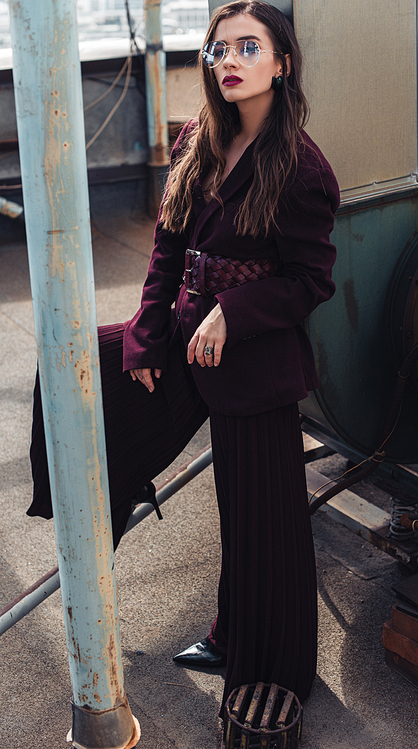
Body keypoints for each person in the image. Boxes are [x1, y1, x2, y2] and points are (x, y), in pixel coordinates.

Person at [29, 0, 339, 719]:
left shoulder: (302, 167)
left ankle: (260, 657)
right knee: (78, 368)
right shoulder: (200, 135)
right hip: (181, 330)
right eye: (217, 49)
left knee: (259, 518)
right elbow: (168, 245)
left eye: (247, 48)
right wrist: (144, 334)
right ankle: (107, 492)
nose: (227, 61)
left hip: (254, 360)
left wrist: (236, 312)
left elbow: (310, 283)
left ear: (281, 63)